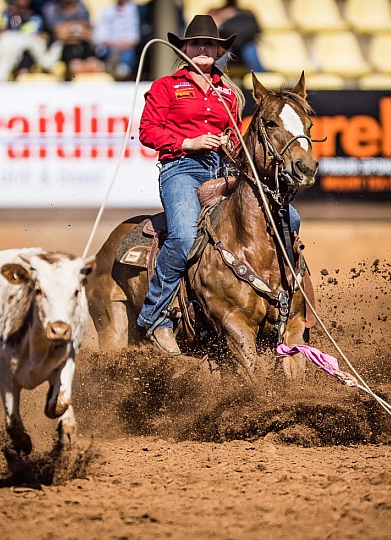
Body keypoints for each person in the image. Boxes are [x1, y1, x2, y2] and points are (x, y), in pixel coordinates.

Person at [136, 14, 244, 355]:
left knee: (284, 222)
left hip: (223, 171)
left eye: (209, 44)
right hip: (180, 169)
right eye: (196, 43)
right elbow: (147, 131)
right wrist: (188, 143)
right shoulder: (166, 87)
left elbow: (239, 137)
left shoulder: (229, 92)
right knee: (183, 235)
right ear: (183, 49)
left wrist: (233, 144)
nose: (203, 48)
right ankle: (154, 318)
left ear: (218, 51)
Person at [0, 0, 62, 81]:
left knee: (43, 62)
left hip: (28, 53)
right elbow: (0, 31)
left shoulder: (35, 18)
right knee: (4, 60)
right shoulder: (6, 14)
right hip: (7, 50)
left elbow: (35, 34)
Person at [42, 0, 102, 80]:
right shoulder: (51, 7)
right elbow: (60, 34)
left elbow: (89, 34)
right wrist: (78, 28)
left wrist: (68, 30)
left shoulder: (82, 7)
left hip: (84, 46)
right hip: (64, 48)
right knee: (75, 67)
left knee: (95, 65)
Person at [208, 0, 266, 73]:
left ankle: (260, 78)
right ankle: (212, 77)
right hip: (226, 46)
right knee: (223, 50)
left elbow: (257, 29)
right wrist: (222, 17)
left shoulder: (247, 11)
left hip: (244, 46)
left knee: (250, 49)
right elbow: (208, 31)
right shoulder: (215, 12)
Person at [94, 0, 139, 81]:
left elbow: (134, 38)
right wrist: (116, 45)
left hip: (126, 50)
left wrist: (120, 45)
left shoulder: (133, 9)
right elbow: (100, 37)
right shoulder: (106, 10)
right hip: (109, 49)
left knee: (128, 55)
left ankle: (120, 72)